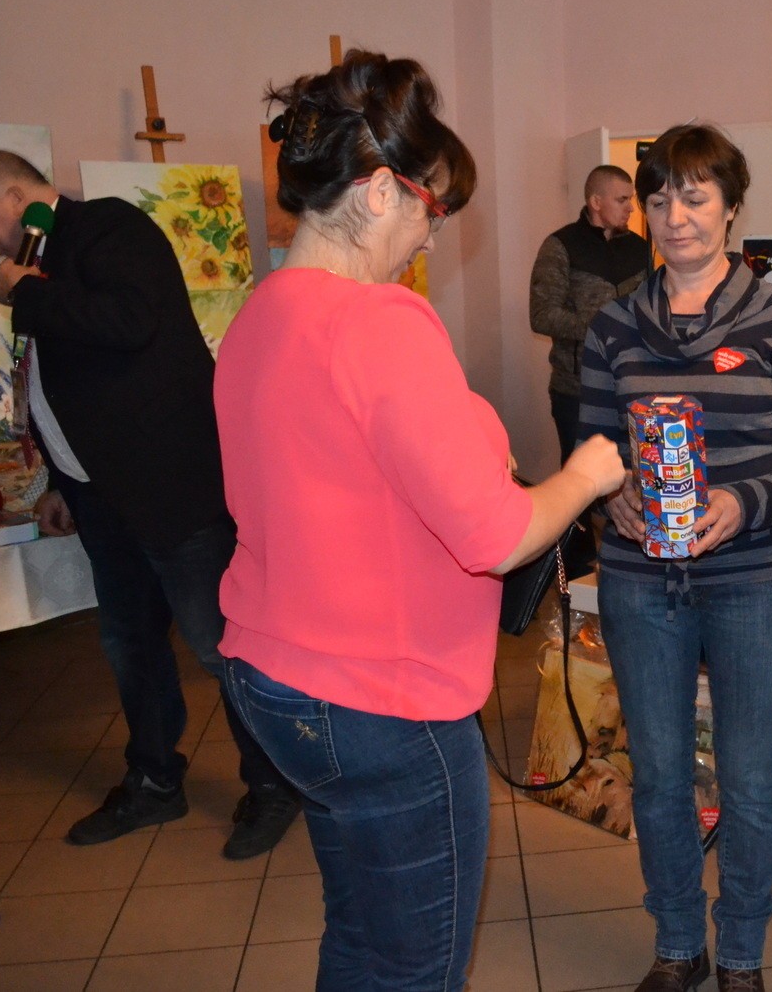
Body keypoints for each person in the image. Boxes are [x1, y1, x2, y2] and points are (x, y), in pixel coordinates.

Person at [214, 50, 623, 991]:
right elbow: (497, 534)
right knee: (415, 969)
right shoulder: (383, 324)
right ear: (376, 193)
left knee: (359, 939)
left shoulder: (260, 315)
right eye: (430, 209)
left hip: (275, 681)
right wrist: (582, 475)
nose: (431, 235)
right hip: (382, 703)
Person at [0, 151, 300, 859]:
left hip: (173, 491)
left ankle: (275, 784)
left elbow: (130, 321)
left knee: (217, 644)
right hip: (101, 496)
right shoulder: (43, 257)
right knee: (130, 646)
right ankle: (154, 782)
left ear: (13, 196)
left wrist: (27, 294)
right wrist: (61, 481)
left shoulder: (108, 227)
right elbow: (68, 381)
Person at [579, 124, 772, 992]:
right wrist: (610, 492)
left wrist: (740, 503)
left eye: (695, 197)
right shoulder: (613, 325)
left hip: (751, 579)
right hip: (640, 580)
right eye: (659, 199)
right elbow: (591, 448)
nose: (675, 216)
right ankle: (680, 943)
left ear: (731, 207)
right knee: (657, 778)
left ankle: (744, 955)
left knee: (751, 781)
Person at [530, 164, 650, 574]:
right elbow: (541, 315)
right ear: (596, 202)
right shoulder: (560, 246)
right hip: (575, 388)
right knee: (579, 477)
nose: (631, 208)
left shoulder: (639, 248)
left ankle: (635, 550)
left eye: (632, 200)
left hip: (632, 386)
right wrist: (602, 327)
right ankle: (578, 565)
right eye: (622, 199)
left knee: (634, 473)